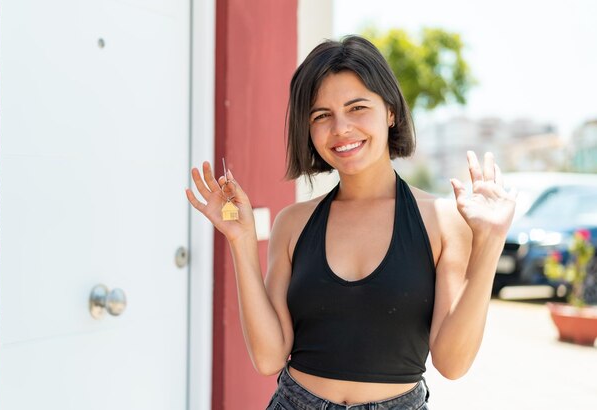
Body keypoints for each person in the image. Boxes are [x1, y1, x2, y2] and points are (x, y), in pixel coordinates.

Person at [185, 35, 516, 409]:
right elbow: (268, 358)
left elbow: (452, 363)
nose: (340, 128)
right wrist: (241, 240)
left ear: (390, 111)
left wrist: (489, 242)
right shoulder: (293, 223)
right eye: (321, 115)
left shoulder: (441, 220)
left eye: (357, 107)